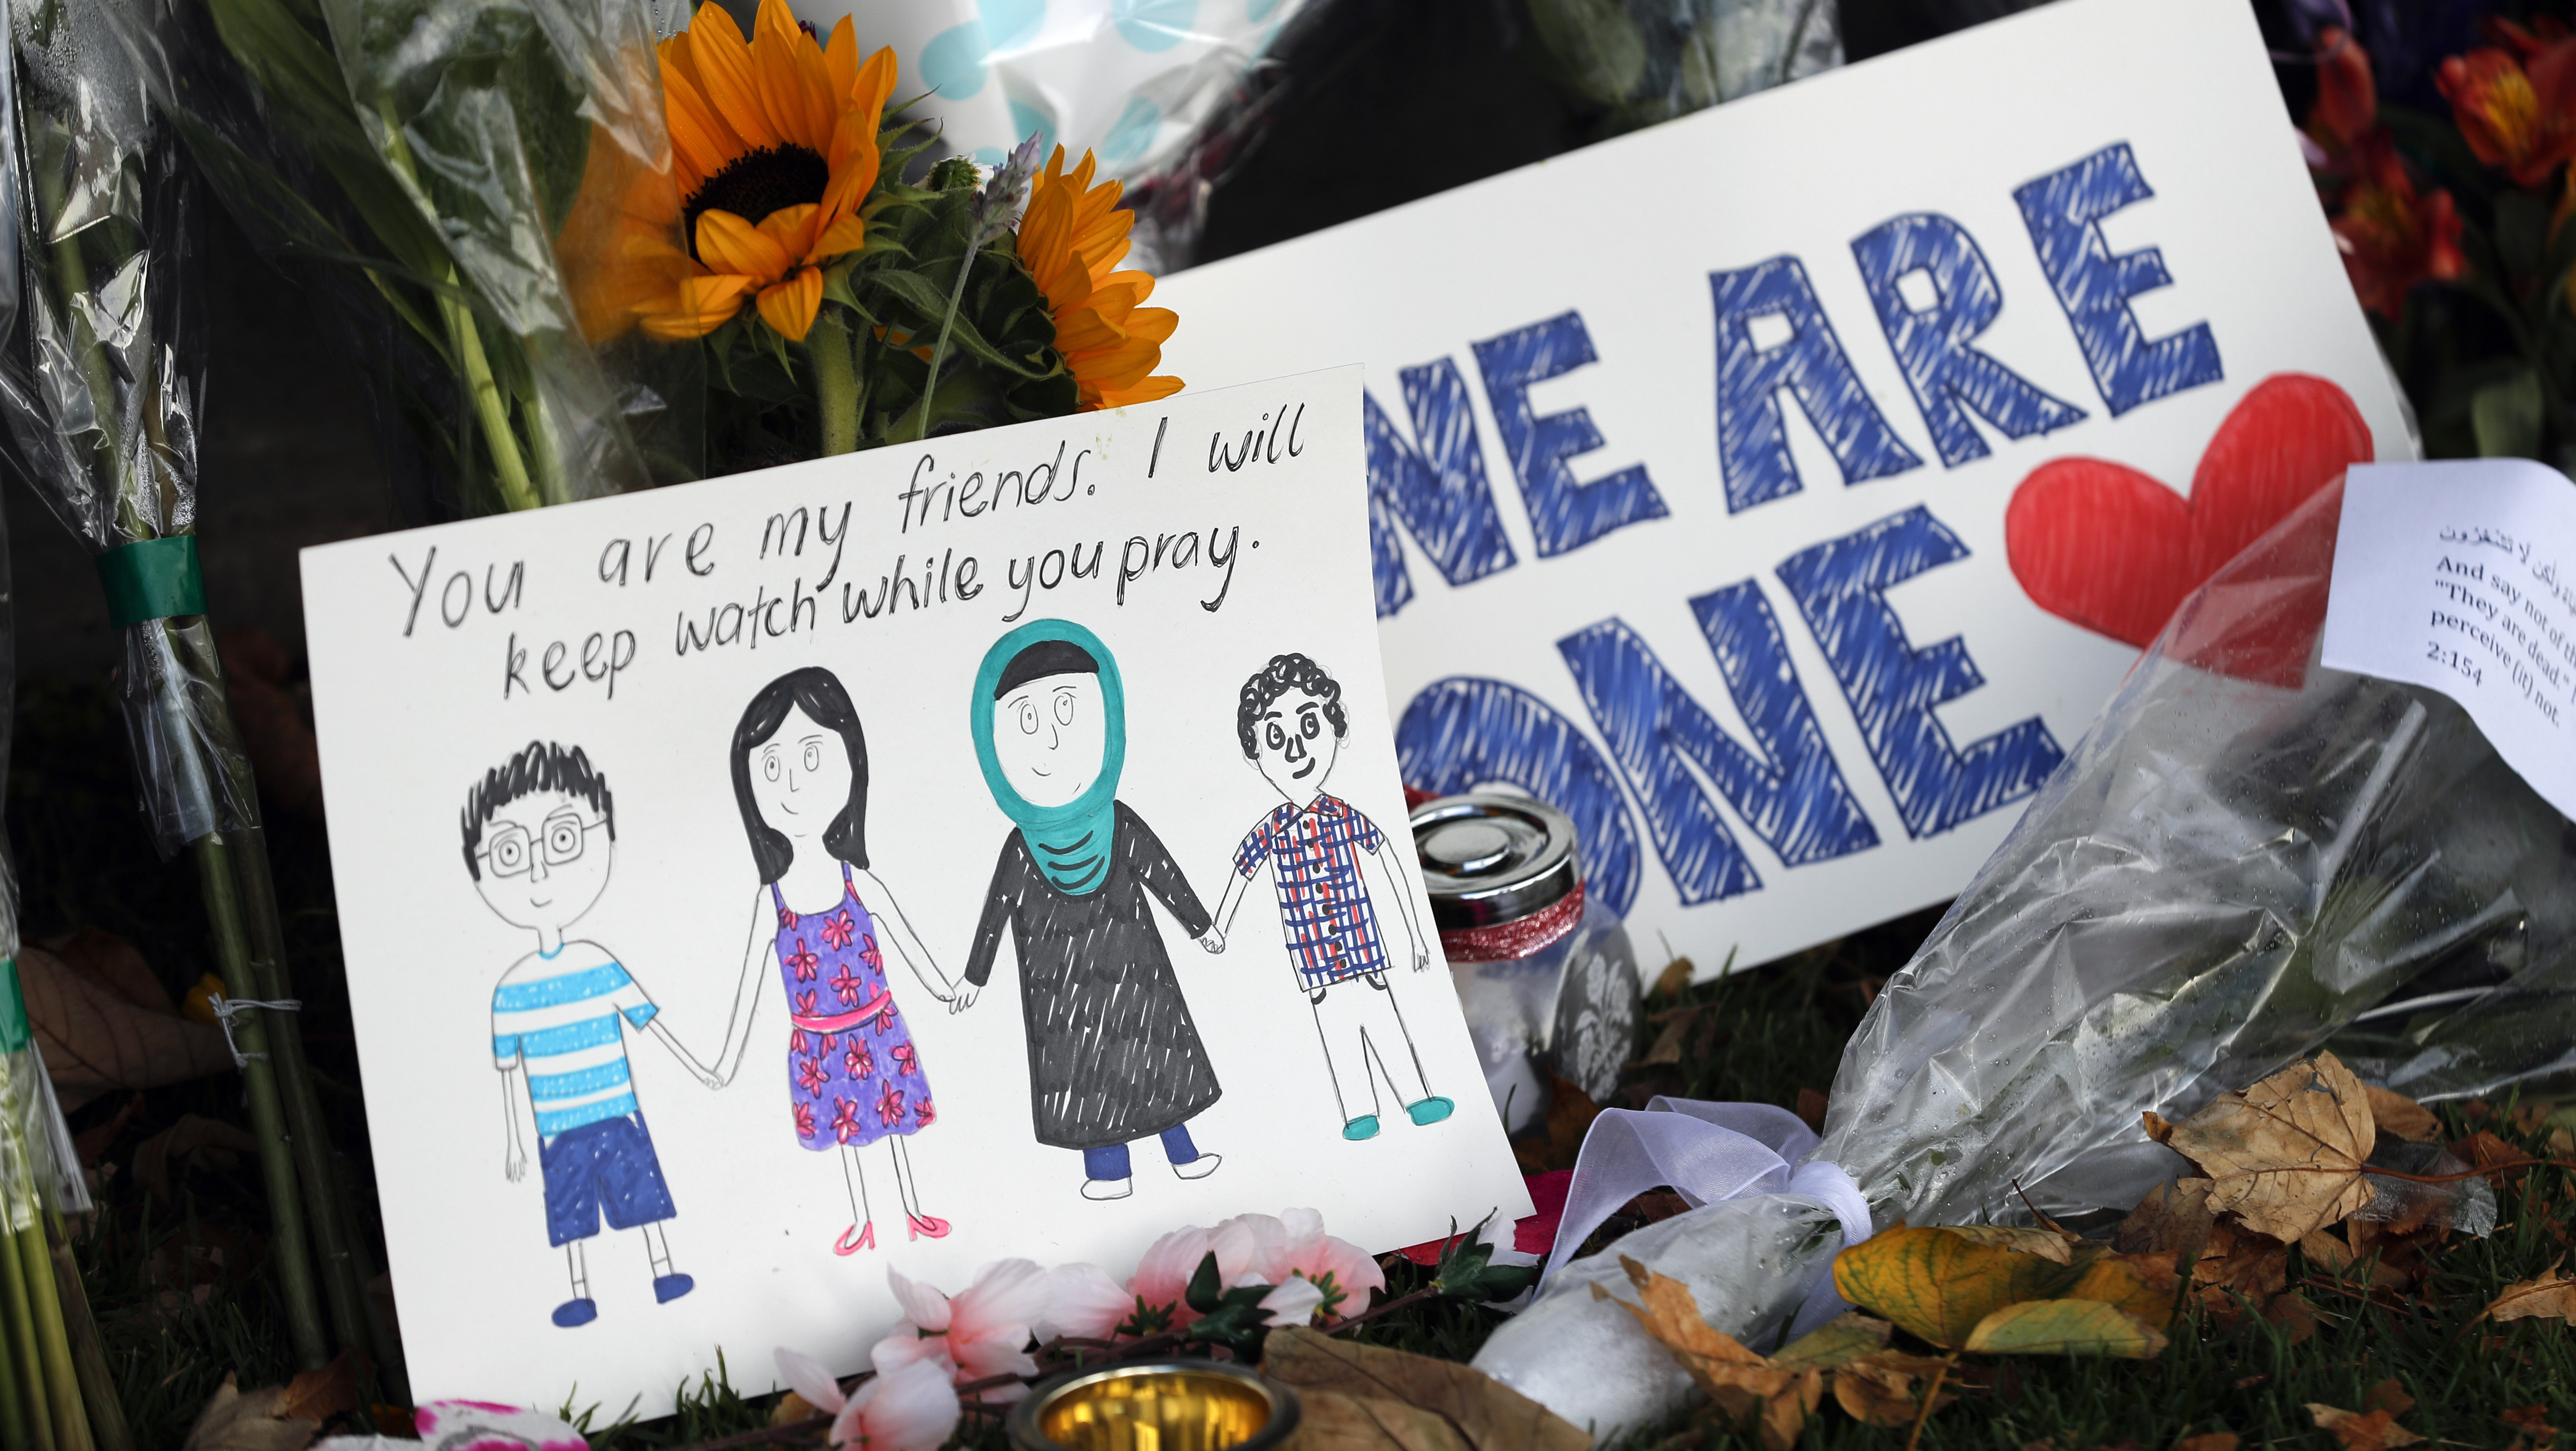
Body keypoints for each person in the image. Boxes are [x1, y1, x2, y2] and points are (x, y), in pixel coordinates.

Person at [960, 619, 1226, 1200]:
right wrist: (974, 975)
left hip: (1134, 968)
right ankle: (1108, 1172)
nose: (1051, 740)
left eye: (1067, 710)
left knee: (1157, 1049)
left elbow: (1161, 870)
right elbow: (997, 909)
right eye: (1026, 721)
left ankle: (1183, 1150)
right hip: (1061, 986)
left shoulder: (1119, 821)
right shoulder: (1021, 847)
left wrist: (1200, 924)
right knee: (1085, 1071)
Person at [708, 667, 963, 1254]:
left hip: (877, 1026)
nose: (792, 783)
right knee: (850, 1134)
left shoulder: (858, 879)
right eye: (771, 767)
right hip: (820, 1043)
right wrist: (726, 1061)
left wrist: (944, 986)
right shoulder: (770, 900)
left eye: (812, 756)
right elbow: (749, 982)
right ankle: (862, 1217)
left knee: (893, 1126)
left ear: (852, 760)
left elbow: (904, 936)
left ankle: (912, 1207)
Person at [464, 740, 711, 1328]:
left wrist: (700, 1066)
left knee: (641, 1195)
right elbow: (508, 1076)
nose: (539, 869)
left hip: (616, 1111)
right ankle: (580, 1291)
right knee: (570, 1211)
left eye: (564, 838)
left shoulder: (600, 964)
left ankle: (664, 1268)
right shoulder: (509, 992)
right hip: (557, 1128)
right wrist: (514, 1140)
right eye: (509, 852)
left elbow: (649, 1021)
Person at [1207, 653, 1452, 1140]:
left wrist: (1417, 935)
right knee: (1338, 1033)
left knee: (1384, 1017)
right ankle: (1359, 1112)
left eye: (1309, 724)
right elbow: (1241, 871)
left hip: (1363, 951)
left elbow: (1388, 858)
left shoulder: (1343, 813)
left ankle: (1418, 1098)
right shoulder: (1272, 830)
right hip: (1316, 959)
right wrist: (1219, 927)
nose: (1296, 747)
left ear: (1334, 729)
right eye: (1276, 736)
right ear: (1256, 751)